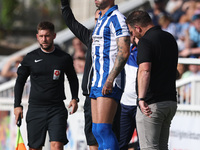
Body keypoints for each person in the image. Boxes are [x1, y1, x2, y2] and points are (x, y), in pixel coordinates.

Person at [60, 1, 122, 149]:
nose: (98, 22)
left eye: (99, 19)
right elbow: (72, 23)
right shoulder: (91, 38)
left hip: (108, 90)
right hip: (91, 93)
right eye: (95, 20)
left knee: (107, 131)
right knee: (93, 135)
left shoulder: (114, 32)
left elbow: (123, 51)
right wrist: (64, 4)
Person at [14, 21, 79, 150]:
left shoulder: (63, 57)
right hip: (36, 109)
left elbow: (73, 78)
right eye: (41, 36)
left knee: (57, 145)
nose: (44, 39)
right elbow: (20, 81)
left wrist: (74, 98)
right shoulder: (30, 58)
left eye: (47, 36)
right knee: (35, 147)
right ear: (37, 36)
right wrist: (17, 105)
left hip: (57, 109)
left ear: (54, 36)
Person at [126, 10, 178, 150]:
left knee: (149, 147)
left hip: (151, 104)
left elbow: (145, 70)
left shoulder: (145, 41)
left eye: (132, 31)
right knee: (162, 147)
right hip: (170, 102)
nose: (133, 35)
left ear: (138, 28)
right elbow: (176, 71)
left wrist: (141, 99)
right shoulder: (169, 38)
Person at [91, 0, 130, 150]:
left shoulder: (117, 18)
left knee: (103, 129)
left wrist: (110, 79)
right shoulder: (101, 19)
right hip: (97, 79)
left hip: (109, 79)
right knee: (96, 130)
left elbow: (124, 51)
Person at [119, 37, 139, 150]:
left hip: (142, 105)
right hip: (124, 104)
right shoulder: (126, 49)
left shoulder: (147, 49)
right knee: (120, 143)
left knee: (144, 145)